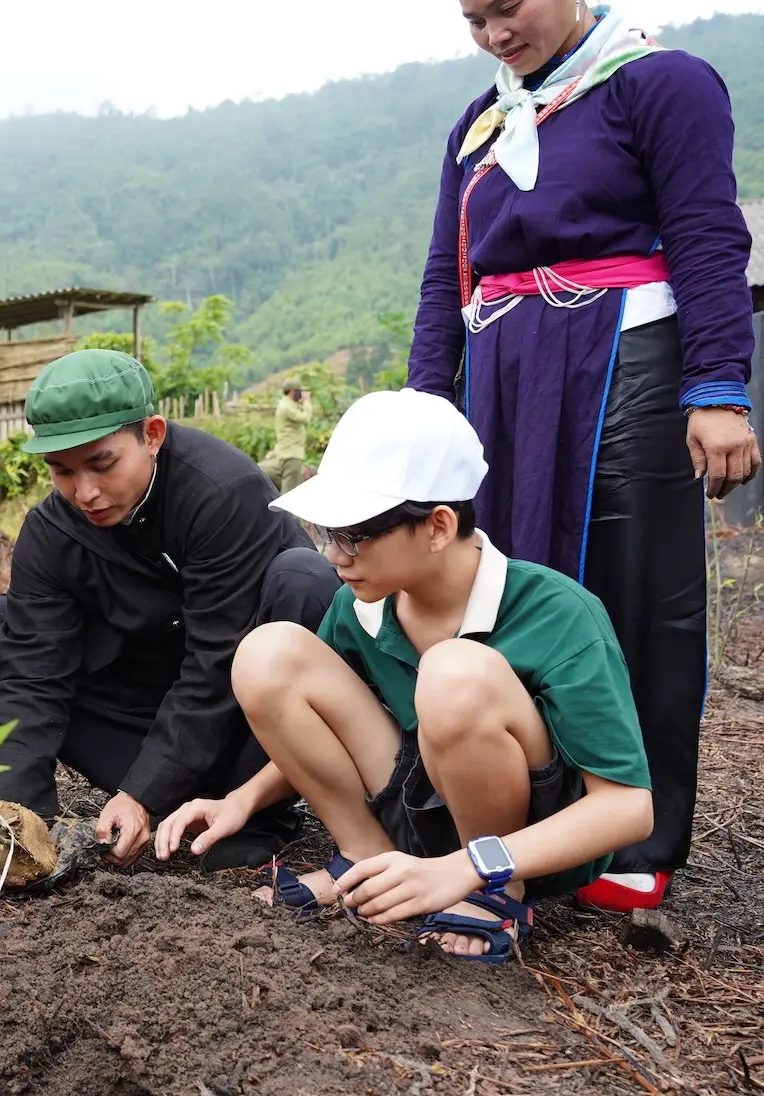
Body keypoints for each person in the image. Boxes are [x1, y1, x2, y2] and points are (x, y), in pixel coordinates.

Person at [406, 1, 759, 911]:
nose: (492, 35)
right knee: (513, 583)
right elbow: (449, 277)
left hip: (623, 359)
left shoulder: (659, 82)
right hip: (505, 372)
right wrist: (423, 406)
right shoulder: (478, 124)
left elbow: (707, 234)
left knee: (630, 587)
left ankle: (635, 836)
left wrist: (717, 387)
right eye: (473, 16)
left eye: (507, 7)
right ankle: (537, 823)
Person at [157, 391, 655, 963]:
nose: (335, 557)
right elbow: (324, 722)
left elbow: (628, 807)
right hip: (417, 801)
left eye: (352, 536)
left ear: (438, 525)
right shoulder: (362, 607)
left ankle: (492, 897)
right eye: (324, 533)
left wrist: (472, 865)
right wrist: (241, 799)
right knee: (267, 653)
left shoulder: (559, 613)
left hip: (515, 847)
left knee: (453, 670)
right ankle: (365, 862)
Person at [0, 349, 341, 875]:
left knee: (303, 579)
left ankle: (258, 810)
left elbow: (214, 661)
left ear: (153, 434)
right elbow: (31, 674)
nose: (85, 492)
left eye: (103, 464)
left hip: (243, 702)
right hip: (144, 690)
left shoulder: (219, 493)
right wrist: (10, 808)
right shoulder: (52, 531)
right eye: (62, 471)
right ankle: (167, 800)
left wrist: (142, 789)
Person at [259, 384, 312, 495]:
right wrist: (307, 402)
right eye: (299, 391)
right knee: (290, 495)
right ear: (293, 391)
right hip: (291, 453)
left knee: (286, 489)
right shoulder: (286, 407)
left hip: (285, 451)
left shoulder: (288, 405)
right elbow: (306, 418)